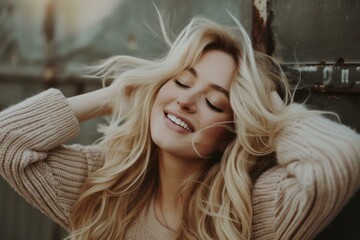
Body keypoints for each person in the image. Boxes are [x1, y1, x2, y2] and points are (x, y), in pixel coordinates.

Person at [0, 14, 360, 240]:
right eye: (182, 82)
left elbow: (338, 161)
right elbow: (9, 140)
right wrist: (116, 94)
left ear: (230, 134)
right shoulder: (101, 184)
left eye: (214, 102)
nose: (187, 101)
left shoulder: (250, 214)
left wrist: (273, 113)